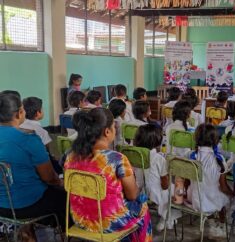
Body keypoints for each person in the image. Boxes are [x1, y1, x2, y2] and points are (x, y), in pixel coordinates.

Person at [64, 108, 152, 241]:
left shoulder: (71, 157)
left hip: (80, 220)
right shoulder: (117, 159)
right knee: (143, 205)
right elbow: (132, 195)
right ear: (107, 132)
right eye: (114, 127)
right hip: (111, 224)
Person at [0, 93, 67, 239]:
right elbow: (49, 178)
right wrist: (62, 183)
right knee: (66, 199)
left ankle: (26, 233)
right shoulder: (28, 138)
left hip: (2, 206)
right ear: (19, 113)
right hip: (28, 206)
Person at [134, 124, 181, 232]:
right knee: (175, 189)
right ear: (157, 141)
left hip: (140, 192)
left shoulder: (135, 155)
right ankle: (165, 218)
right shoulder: (159, 159)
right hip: (155, 194)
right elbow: (164, 184)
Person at [187, 124, 232, 236]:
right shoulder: (219, 159)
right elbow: (223, 186)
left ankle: (211, 222)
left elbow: (187, 182)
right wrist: (233, 194)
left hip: (193, 198)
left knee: (206, 190)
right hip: (210, 200)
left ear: (196, 138)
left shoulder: (190, 156)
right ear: (215, 139)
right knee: (224, 196)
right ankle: (222, 225)